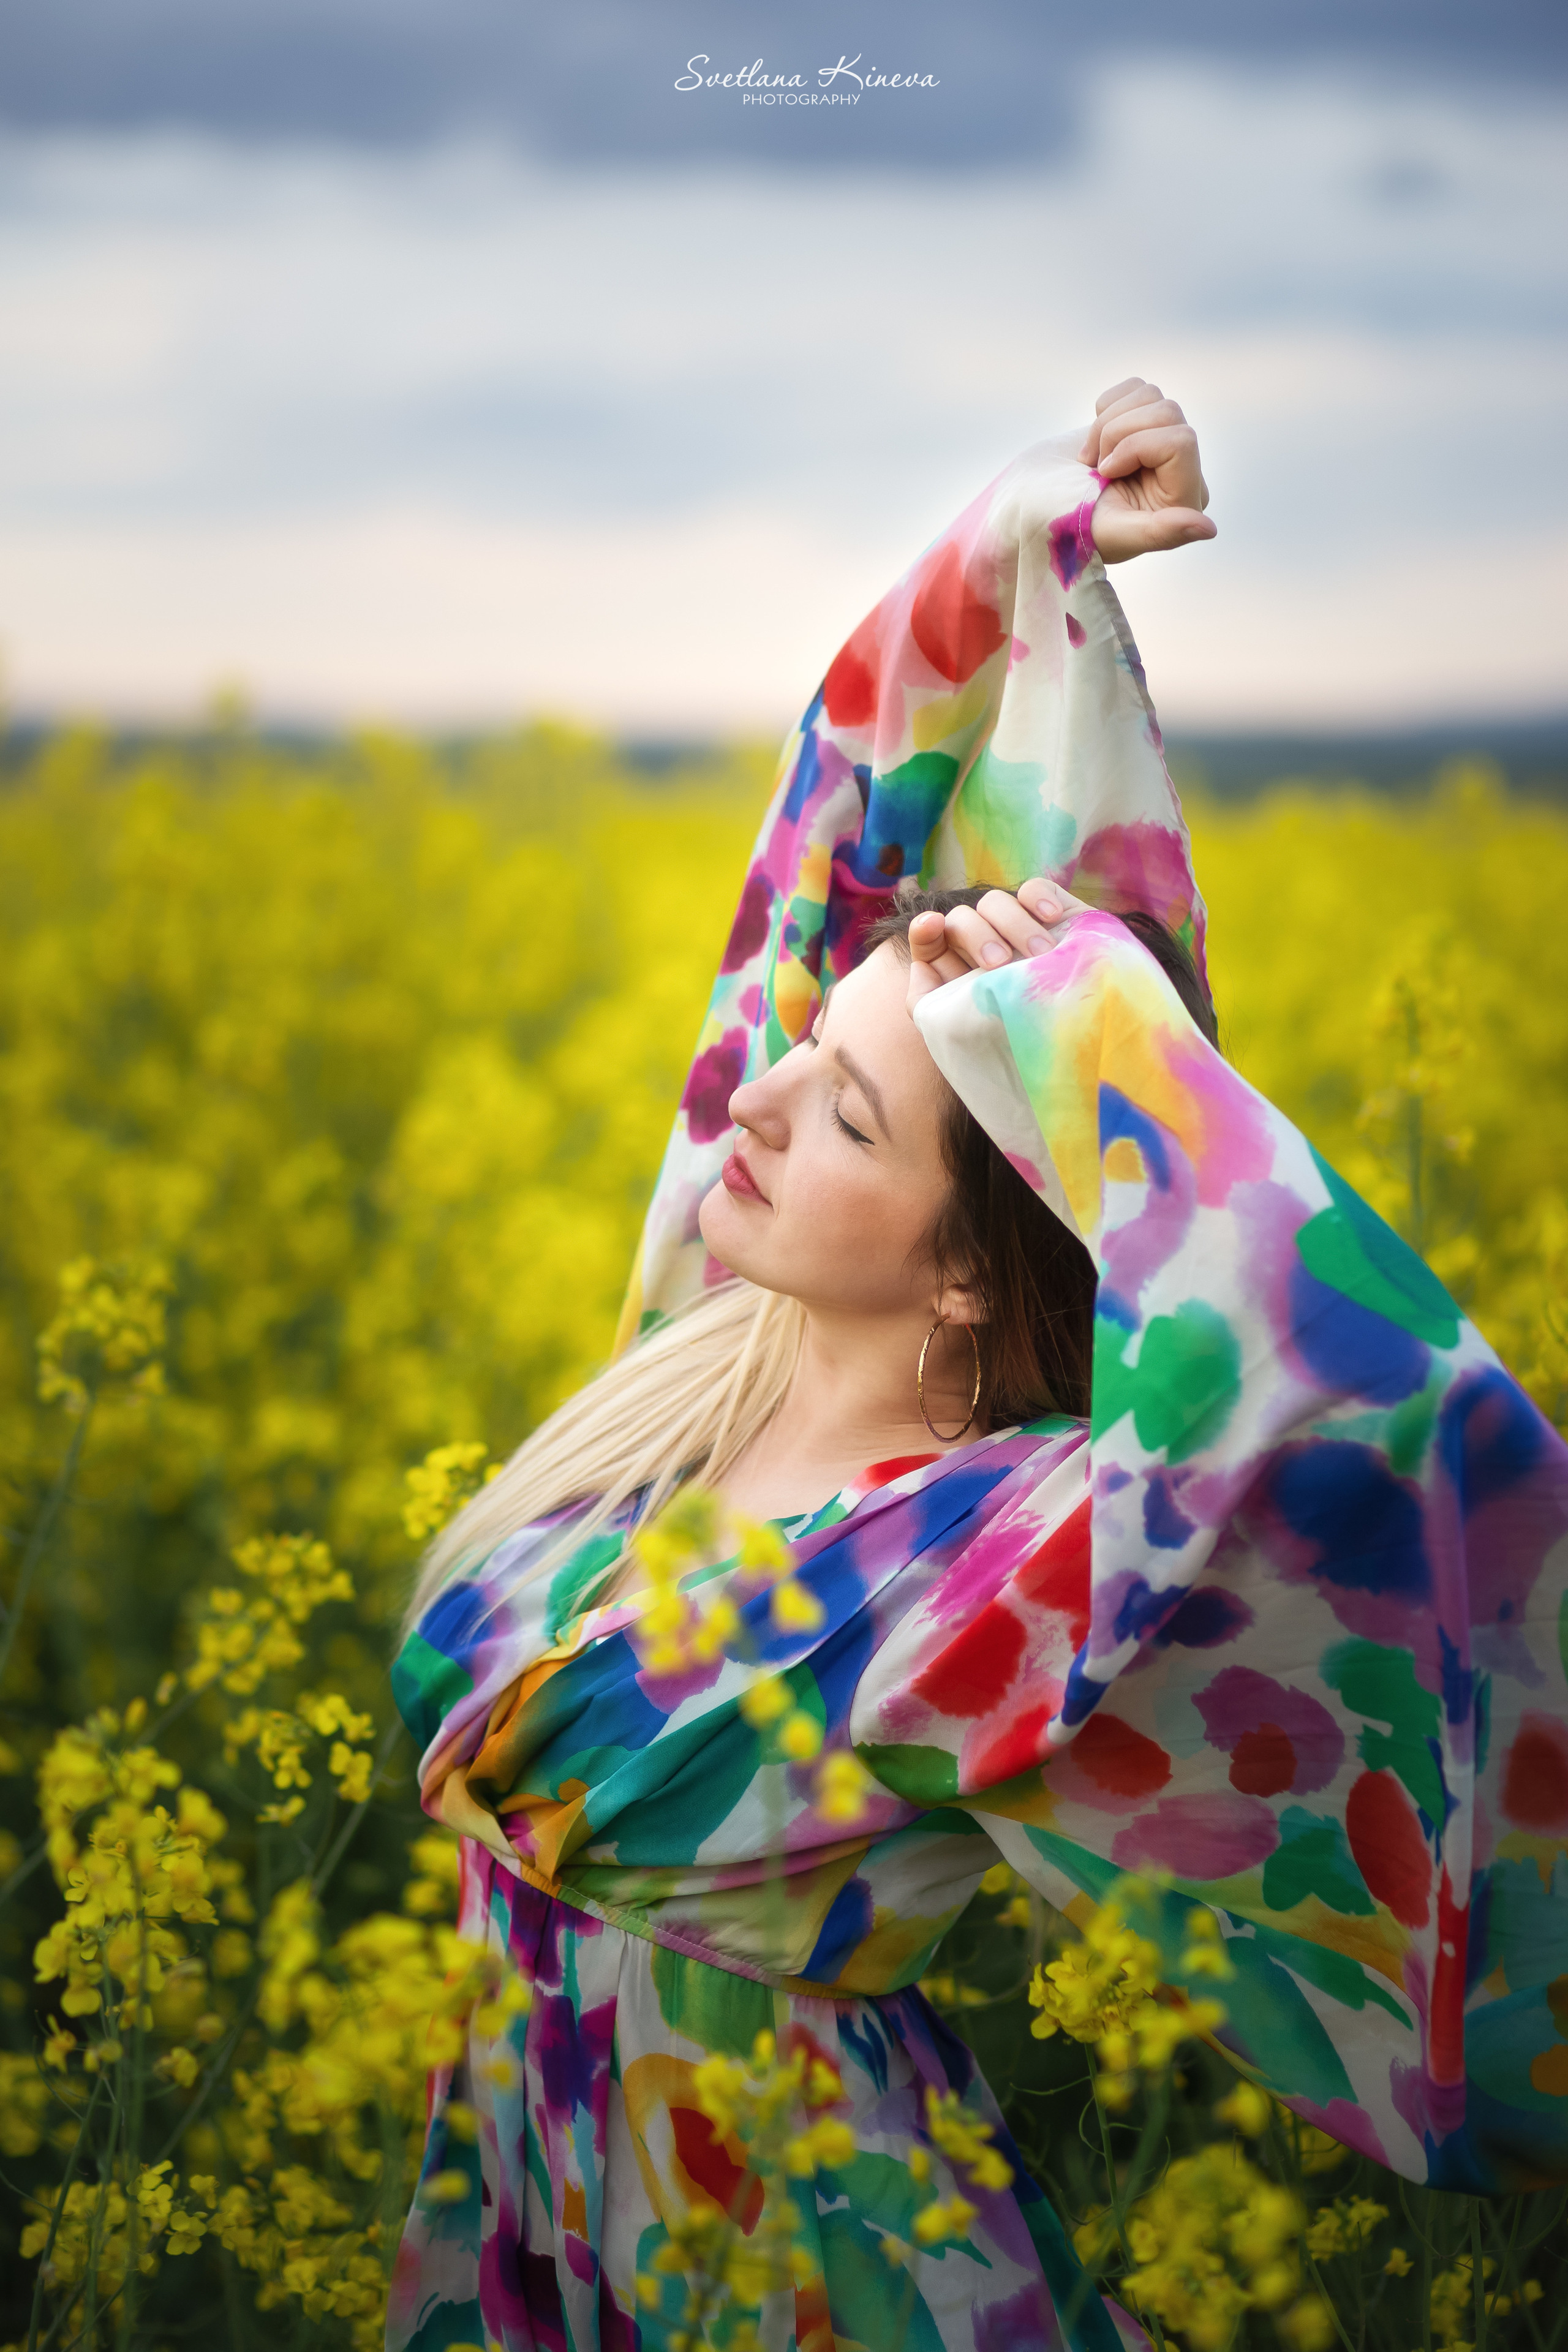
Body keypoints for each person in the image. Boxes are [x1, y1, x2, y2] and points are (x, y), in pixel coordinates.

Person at [385, 382, 1568, 2352]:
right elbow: (843, 817)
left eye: (845, 1116)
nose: (748, 1103)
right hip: (533, 2220)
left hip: (803, 2275)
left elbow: (1341, 1407)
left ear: (963, 1275)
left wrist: (1120, 1064)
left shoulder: (993, 1561)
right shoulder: (703, 1347)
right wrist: (1044, 536)